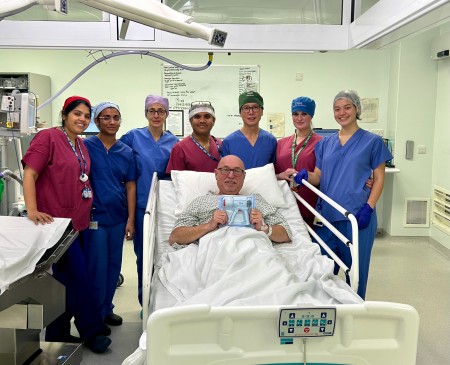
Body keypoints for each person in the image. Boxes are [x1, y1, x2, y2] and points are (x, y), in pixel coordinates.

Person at [22, 96, 111, 353]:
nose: (82, 119)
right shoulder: (48, 138)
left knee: (64, 282)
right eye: (77, 114)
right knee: (80, 278)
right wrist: (33, 209)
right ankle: (92, 331)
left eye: (85, 115)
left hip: (78, 223)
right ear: (65, 114)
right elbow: (30, 173)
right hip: (56, 223)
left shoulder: (81, 145)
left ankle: (57, 333)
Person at [294, 90, 392, 299]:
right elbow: (319, 177)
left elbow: (380, 178)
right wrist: (305, 176)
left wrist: (369, 207)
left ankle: (353, 315)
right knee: (321, 269)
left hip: (356, 217)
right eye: (337, 109)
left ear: (357, 109)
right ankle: (326, 313)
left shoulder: (373, 142)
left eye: (347, 107)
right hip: (327, 217)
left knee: (355, 272)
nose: (342, 113)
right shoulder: (325, 144)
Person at [120, 95, 178, 304]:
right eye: (151, 110)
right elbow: (118, 164)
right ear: (145, 113)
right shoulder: (132, 137)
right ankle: (145, 301)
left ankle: (163, 301)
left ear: (166, 114)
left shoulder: (173, 142)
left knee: (164, 255)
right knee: (143, 257)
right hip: (140, 206)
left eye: (160, 111)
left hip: (165, 207)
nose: (156, 115)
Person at [83, 101, 136, 328]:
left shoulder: (126, 151)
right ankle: (95, 316)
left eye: (116, 117)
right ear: (96, 121)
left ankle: (107, 309)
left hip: (118, 216)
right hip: (94, 216)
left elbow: (130, 185)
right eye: (106, 117)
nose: (112, 122)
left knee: (114, 266)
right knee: (97, 267)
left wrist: (131, 219)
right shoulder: (86, 147)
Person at [169, 155, 291, 246]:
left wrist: (263, 227)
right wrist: (208, 226)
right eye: (225, 170)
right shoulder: (201, 202)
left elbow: (286, 234)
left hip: (253, 250)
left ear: (244, 176)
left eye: (237, 171)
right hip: (216, 252)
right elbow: (175, 237)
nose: (231, 176)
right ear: (216, 174)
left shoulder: (256, 201)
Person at [275, 96, 322, 227]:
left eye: (304, 114)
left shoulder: (321, 143)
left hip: (308, 203)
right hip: (284, 203)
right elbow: (273, 173)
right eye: (295, 114)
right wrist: (281, 175)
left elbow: (323, 176)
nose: (299, 118)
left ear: (311, 116)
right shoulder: (281, 143)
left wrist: (307, 175)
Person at [221, 91, 277, 169]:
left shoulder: (270, 140)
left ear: (262, 111)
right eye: (246, 108)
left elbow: (274, 171)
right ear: (240, 112)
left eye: (255, 107)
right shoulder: (228, 142)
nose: (251, 112)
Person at [166, 101, 221, 173]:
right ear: (190, 121)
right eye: (197, 117)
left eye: (207, 116)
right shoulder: (180, 148)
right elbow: (175, 179)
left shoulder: (221, 145)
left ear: (213, 121)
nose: (202, 121)